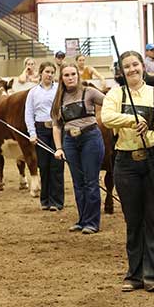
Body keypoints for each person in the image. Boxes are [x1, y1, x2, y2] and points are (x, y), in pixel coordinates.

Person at [102, 50, 154, 294]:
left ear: (143, 67)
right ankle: (136, 274)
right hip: (126, 161)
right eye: (127, 66)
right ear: (121, 72)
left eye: (135, 65)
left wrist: (150, 133)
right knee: (133, 219)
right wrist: (132, 119)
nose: (132, 69)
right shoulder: (116, 93)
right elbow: (107, 117)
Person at [51, 63, 105, 234]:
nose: (70, 77)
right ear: (62, 78)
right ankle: (82, 220)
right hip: (70, 142)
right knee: (78, 183)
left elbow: (111, 103)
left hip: (90, 138)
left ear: (78, 75)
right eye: (66, 75)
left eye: (73, 74)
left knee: (91, 181)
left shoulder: (89, 92)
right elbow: (56, 126)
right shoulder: (59, 98)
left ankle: (92, 222)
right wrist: (58, 148)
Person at [25, 61, 64, 210]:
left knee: (57, 165)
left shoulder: (59, 91)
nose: (50, 75)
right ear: (40, 73)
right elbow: (28, 114)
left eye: (52, 72)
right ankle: (45, 200)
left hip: (56, 128)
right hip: (41, 129)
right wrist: (32, 133)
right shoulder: (33, 92)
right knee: (44, 165)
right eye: (47, 71)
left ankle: (57, 201)